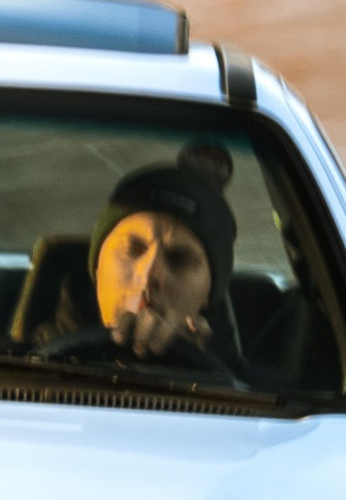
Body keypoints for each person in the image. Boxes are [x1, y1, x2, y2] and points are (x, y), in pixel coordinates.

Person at [36, 155, 255, 389]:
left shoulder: (264, 398)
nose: (150, 274)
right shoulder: (15, 365)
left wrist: (199, 380)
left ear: (208, 295)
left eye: (179, 259)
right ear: (97, 267)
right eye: (133, 249)